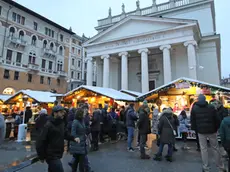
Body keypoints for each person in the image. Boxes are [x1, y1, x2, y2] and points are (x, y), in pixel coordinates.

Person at [36, 105, 78, 172]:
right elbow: (41, 141)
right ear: (55, 113)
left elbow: (65, 133)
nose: (63, 114)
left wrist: (73, 138)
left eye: (63, 112)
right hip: (51, 155)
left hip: (58, 153)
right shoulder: (48, 125)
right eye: (61, 112)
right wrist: (41, 156)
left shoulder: (61, 123)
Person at [191, 94, 225, 172]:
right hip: (212, 131)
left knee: (204, 149)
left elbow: (193, 120)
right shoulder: (211, 107)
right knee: (215, 148)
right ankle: (220, 167)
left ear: (198, 100)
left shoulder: (195, 108)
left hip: (201, 131)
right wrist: (216, 128)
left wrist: (196, 129)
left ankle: (206, 167)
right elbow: (217, 119)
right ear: (205, 99)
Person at [69, 108, 89, 172]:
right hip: (78, 144)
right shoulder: (75, 122)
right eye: (84, 113)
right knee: (80, 162)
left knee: (78, 161)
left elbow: (83, 129)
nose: (85, 114)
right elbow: (73, 133)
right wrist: (77, 138)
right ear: (80, 114)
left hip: (82, 143)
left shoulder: (82, 121)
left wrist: (84, 134)